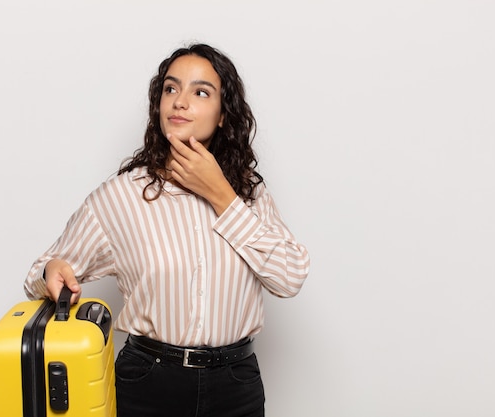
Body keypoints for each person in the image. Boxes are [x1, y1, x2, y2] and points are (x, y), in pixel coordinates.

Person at [24, 42, 310, 417]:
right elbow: (39, 274)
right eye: (171, 89)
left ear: (224, 115)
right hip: (148, 384)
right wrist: (51, 272)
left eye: (200, 92)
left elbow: (289, 278)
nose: (180, 101)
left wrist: (222, 195)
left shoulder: (249, 194)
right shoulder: (122, 196)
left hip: (235, 385)